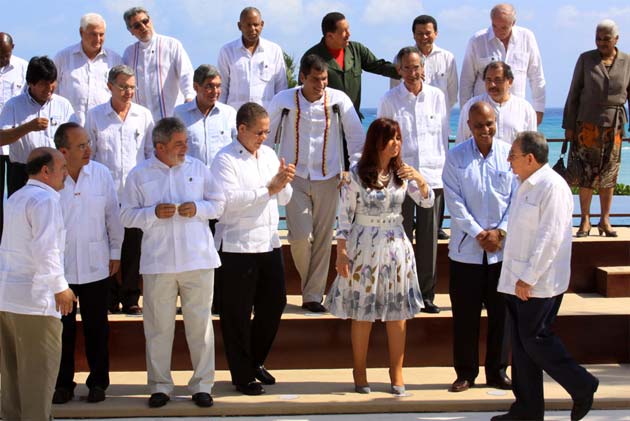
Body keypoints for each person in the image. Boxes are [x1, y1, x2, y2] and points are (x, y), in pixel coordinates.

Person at [492, 131, 599, 421]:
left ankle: (582, 384)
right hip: (516, 280)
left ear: (530, 158)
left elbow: (549, 238)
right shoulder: (523, 184)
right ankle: (527, 410)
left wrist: (529, 276)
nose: (508, 161)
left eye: (513, 155)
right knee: (523, 347)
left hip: (538, 283)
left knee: (536, 340)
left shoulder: (553, 187)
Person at [325, 117, 433, 395]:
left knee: (397, 314)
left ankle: (396, 370)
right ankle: (359, 370)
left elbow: (427, 200)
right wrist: (342, 253)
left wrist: (420, 179)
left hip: (396, 246)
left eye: (398, 138)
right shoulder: (357, 174)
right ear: (377, 141)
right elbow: (344, 217)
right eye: (390, 138)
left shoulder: (403, 174)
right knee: (363, 313)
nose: (396, 144)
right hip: (364, 246)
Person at [120, 117, 223, 408]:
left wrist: (199, 209)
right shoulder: (139, 174)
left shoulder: (198, 168)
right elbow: (126, 215)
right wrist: (152, 213)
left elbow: (219, 203)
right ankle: (160, 386)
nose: (185, 148)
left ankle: (203, 385)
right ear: (160, 146)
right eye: (179, 144)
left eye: (186, 142)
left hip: (198, 260)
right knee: (157, 328)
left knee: (200, 326)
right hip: (158, 263)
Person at [267, 54, 364, 312]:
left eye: (323, 80)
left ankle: (312, 296)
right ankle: (311, 284)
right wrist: (266, 169)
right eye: (314, 80)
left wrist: (353, 169)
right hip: (293, 177)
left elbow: (356, 137)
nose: (320, 85)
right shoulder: (284, 100)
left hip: (329, 176)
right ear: (302, 77)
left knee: (323, 238)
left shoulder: (338, 100)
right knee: (299, 237)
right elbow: (265, 136)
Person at [211, 102, 294, 395]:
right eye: (259, 132)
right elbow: (228, 202)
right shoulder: (224, 160)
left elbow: (283, 199)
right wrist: (269, 189)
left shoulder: (269, 155)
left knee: (275, 304)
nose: (264, 138)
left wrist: (283, 182)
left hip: (269, 241)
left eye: (267, 132)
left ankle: (255, 360)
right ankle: (242, 375)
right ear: (242, 129)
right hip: (237, 245)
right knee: (237, 314)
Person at [442, 102, 514, 393]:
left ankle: (497, 372)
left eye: (490, 124)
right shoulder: (456, 157)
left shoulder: (510, 155)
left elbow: (517, 198)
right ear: (469, 126)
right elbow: (454, 202)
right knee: (465, 316)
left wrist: (501, 232)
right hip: (466, 252)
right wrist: (478, 233)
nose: (486, 130)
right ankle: (465, 373)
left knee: (502, 316)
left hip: (502, 252)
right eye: (479, 125)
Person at [0, 147, 76, 421]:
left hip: (8, 299)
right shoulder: (45, 200)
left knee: (12, 384)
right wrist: (60, 287)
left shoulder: (16, 197)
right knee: (37, 383)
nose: (67, 174)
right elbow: (46, 249)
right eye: (63, 168)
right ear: (46, 171)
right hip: (35, 301)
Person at [53, 122, 124, 404]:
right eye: (81, 146)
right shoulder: (52, 177)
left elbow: (112, 216)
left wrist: (116, 251)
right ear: (63, 151)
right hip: (62, 268)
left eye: (88, 144)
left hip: (97, 264)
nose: (88, 150)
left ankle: (98, 382)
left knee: (97, 327)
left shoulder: (101, 174)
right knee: (63, 330)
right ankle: (62, 384)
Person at [378, 46, 448, 314]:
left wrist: (443, 173)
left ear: (423, 68)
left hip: (431, 178)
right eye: (406, 68)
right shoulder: (389, 99)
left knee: (429, 240)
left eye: (415, 67)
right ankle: (402, 292)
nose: (411, 72)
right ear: (399, 71)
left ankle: (427, 295)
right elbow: (385, 141)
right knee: (400, 239)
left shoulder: (437, 97)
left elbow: (442, 136)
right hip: (400, 178)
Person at [86, 64, 153, 315]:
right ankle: (109, 298)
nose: (128, 92)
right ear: (110, 86)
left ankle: (131, 297)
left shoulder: (144, 115)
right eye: (123, 86)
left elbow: (149, 153)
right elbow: (89, 155)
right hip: (105, 193)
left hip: (135, 195)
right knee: (106, 246)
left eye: (132, 87)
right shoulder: (94, 116)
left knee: (133, 247)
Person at [390, 15, 458, 241]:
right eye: (419, 33)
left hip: (432, 167)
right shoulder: (391, 94)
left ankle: (428, 277)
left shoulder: (447, 59)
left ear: (435, 33)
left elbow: (452, 95)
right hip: (403, 170)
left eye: (428, 32)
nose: (424, 36)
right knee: (402, 235)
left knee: (431, 238)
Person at [563, 19, 630, 238]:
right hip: (587, 125)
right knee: (585, 174)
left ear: (616, 39)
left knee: (609, 174)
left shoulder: (627, 61)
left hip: (614, 125)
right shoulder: (585, 59)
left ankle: (605, 220)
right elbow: (574, 93)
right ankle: (584, 220)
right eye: (598, 38)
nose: (601, 42)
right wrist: (569, 127)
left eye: (606, 39)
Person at [459, 3, 545, 124]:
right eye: (495, 26)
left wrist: (538, 109)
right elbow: (466, 81)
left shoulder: (527, 38)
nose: (498, 31)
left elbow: (536, 76)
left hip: (516, 113)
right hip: (483, 113)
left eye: (504, 27)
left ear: (513, 23)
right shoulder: (477, 40)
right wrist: (466, 113)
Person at [0, 56, 75, 195]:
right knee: (21, 215)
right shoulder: (14, 105)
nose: (49, 88)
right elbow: (1, 139)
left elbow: (74, 137)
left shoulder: (63, 105)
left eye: (52, 82)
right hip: (22, 172)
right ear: (30, 83)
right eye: (43, 84)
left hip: (55, 172)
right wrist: (28, 127)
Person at [303, 12, 399, 119]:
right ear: (330, 36)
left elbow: (379, 66)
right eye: (343, 31)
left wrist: (404, 71)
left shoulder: (356, 50)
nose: (349, 34)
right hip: (324, 121)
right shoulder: (311, 57)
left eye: (348, 29)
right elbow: (304, 93)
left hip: (353, 119)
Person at [122, 6, 195, 121]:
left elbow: (186, 74)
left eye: (145, 21)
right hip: (142, 122)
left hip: (171, 118)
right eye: (137, 26)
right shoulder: (129, 53)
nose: (143, 27)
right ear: (131, 31)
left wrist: (189, 98)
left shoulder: (172, 45)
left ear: (150, 20)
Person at [54, 13, 123, 125]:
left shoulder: (115, 60)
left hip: (103, 126)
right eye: (93, 34)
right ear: (81, 32)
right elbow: (52, 90)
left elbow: (121, 93)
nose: (98, 39)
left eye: (101, 34)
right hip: (69, 127)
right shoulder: (63, 57)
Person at [217, 7, 287, 111]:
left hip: (267, 117)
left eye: (256, 24)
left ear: (262, 24)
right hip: (235, 117)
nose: (252, 29)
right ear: (240, 26)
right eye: (248, 25)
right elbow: (222, 88)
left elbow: (281, 88)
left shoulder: (274, 50)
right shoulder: (227, 51)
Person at [457, 61, 536, 144]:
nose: (492, 85)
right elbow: (461, 142)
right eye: (488, 80)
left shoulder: (525, 109)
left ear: (510, 82)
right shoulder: (472, 106)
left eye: (497, 80)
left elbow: (531, 146)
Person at [174, 64, 236, 167]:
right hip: (190, 178)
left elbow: (237, 148)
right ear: (196, 87)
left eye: (218, 86)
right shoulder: (180, 114)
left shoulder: (229, 114)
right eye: (209, 86)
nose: (215, 91)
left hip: (221, 177)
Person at [0, 33, 28, 238]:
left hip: (16, 145)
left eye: (5, 56)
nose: (2, 61)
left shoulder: (23, 68)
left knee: (17, 197)